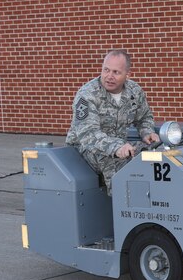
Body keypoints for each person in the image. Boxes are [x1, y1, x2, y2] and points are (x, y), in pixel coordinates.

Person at [66, 49, 158, 193]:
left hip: (120, 145)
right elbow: (88, 134)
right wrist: (116, 148)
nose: (109, 76)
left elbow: (144, 117)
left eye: (116, 72)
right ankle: (121, 203)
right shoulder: (87, 95)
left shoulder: (134, 91)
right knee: (114, 160)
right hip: (84, 149)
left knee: (152, 153)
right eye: (106, 70)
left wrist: (147, 132)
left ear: (127, 74)